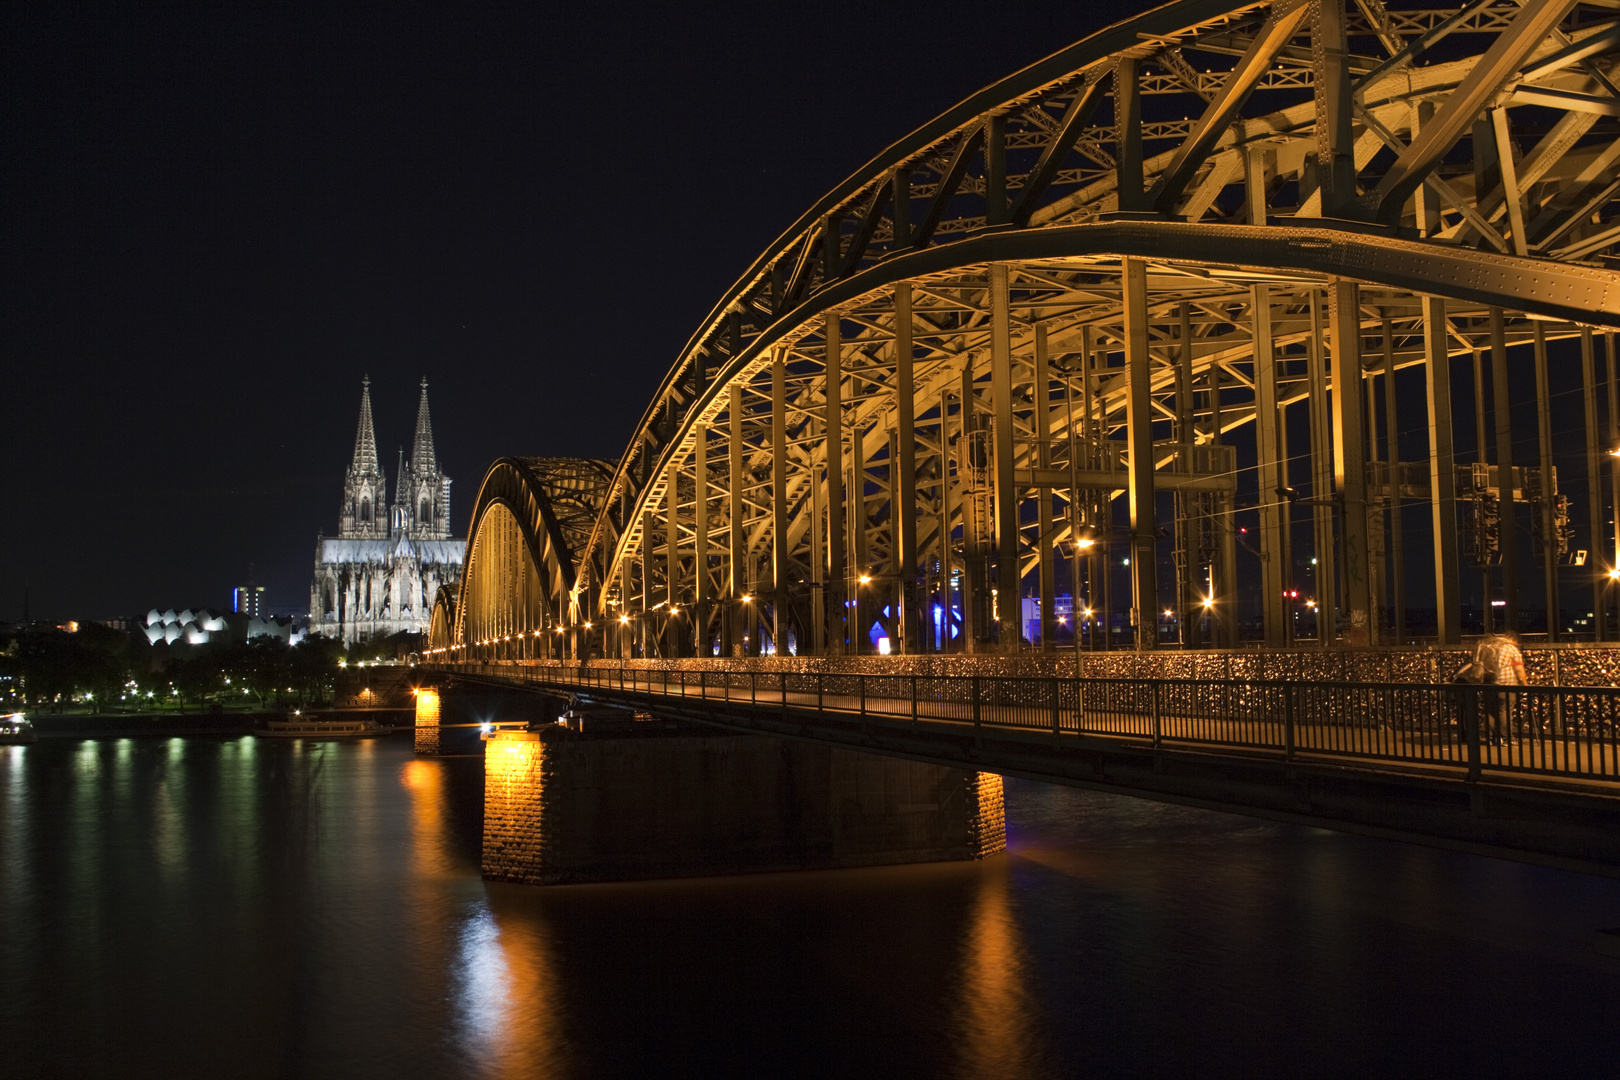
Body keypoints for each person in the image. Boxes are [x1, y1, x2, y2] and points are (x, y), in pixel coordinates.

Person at [1475, 631, 1528, 745]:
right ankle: (1506, 738)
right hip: (1505, 684)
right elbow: (1519, 669)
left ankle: (1490, 738)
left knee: (1490, 711)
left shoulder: (1487, 647)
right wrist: (1524, 684)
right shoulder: (1511, 649)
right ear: (1513, 639)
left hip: (1488, 683)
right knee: (1504, 710)